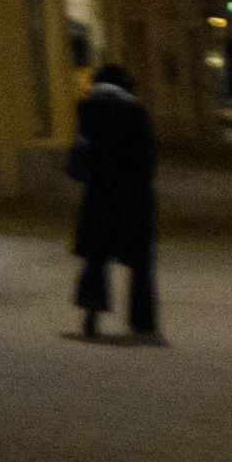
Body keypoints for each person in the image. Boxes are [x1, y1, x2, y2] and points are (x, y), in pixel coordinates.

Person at [65, 59, 161, 343]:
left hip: (99, 194)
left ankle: (92, 310)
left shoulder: (86, 110)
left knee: (96, 256)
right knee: (140, 262)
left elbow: (80, 155)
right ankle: (142, 321)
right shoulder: (136, 113)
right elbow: (147, 159)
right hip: (133, 196)